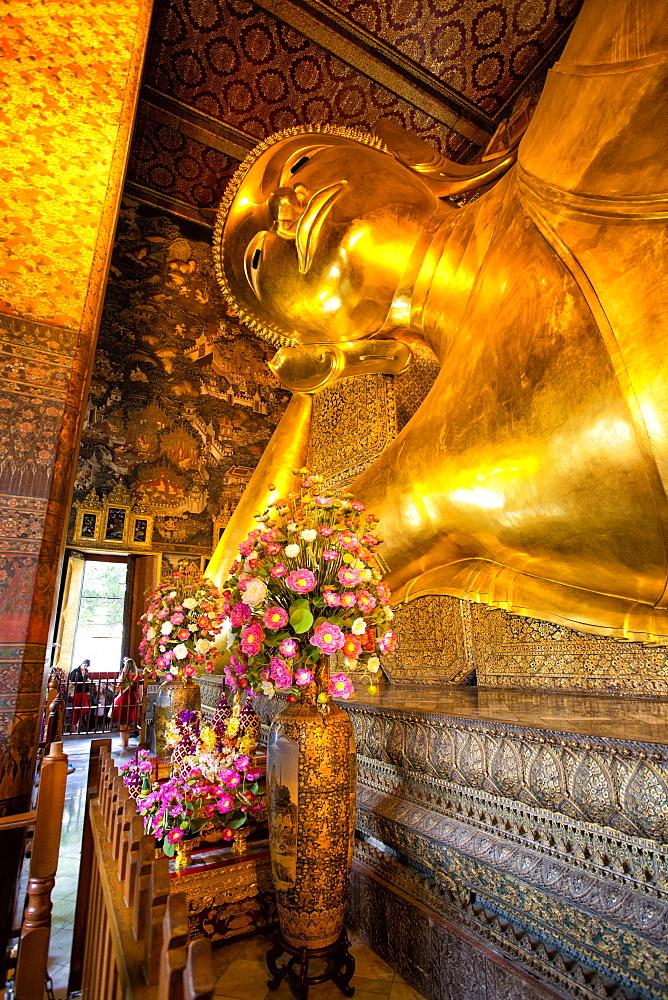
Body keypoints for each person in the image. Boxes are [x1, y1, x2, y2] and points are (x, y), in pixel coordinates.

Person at [209, 0, 668, 646]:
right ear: (312, 336)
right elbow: (234, 613)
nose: (287, 207)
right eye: (260, 258)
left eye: (300, 165)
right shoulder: (425, 473)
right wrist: (313, 390)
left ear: (401, 155)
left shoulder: (592, 93)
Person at [111, 657, 143, 749]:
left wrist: (109, 685)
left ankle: (123, 741)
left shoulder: (124, 676)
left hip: (123, 699)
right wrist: (139, 700)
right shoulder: (138, 676)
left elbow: (117, 689)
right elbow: (140, 691)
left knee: (122, 722)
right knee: (128, 722)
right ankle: (127, 741)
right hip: (132, 699)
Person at [68, 659, 91, 731]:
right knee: (76, 708)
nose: (85, 667)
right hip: (77, 691)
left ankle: (80, 720)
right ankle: (74, 724)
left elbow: (87, 680)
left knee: (85, 707)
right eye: (85, 665)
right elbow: (72, 681)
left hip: (83, 691)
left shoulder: (86, 672)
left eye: (87, 666)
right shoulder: (75, 671)